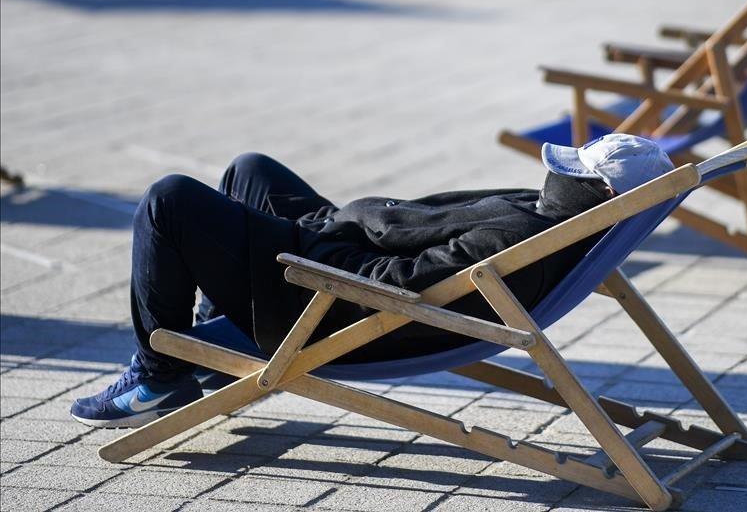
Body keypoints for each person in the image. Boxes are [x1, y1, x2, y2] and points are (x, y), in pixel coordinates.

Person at [70, 134, 673, 428]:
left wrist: (319, 241)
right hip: (344, 256)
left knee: (167, 201)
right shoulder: (557, 223)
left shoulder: (522, 240)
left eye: (573, 171)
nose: (555, 173)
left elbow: (401, 286)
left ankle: (157, 377)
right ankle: (210, 343)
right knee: (249, 170)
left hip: (332, 302)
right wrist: (343, 224)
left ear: (604, 195)